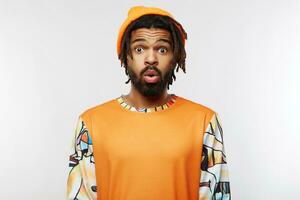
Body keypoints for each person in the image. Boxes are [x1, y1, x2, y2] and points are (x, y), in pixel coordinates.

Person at [66, 5, 231, 200]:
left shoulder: (205, 121)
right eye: (139, 48)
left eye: (162, 49)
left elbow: (217, 195)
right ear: (125, 57)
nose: (151, 58)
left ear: (175, 57)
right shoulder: (91, 123)